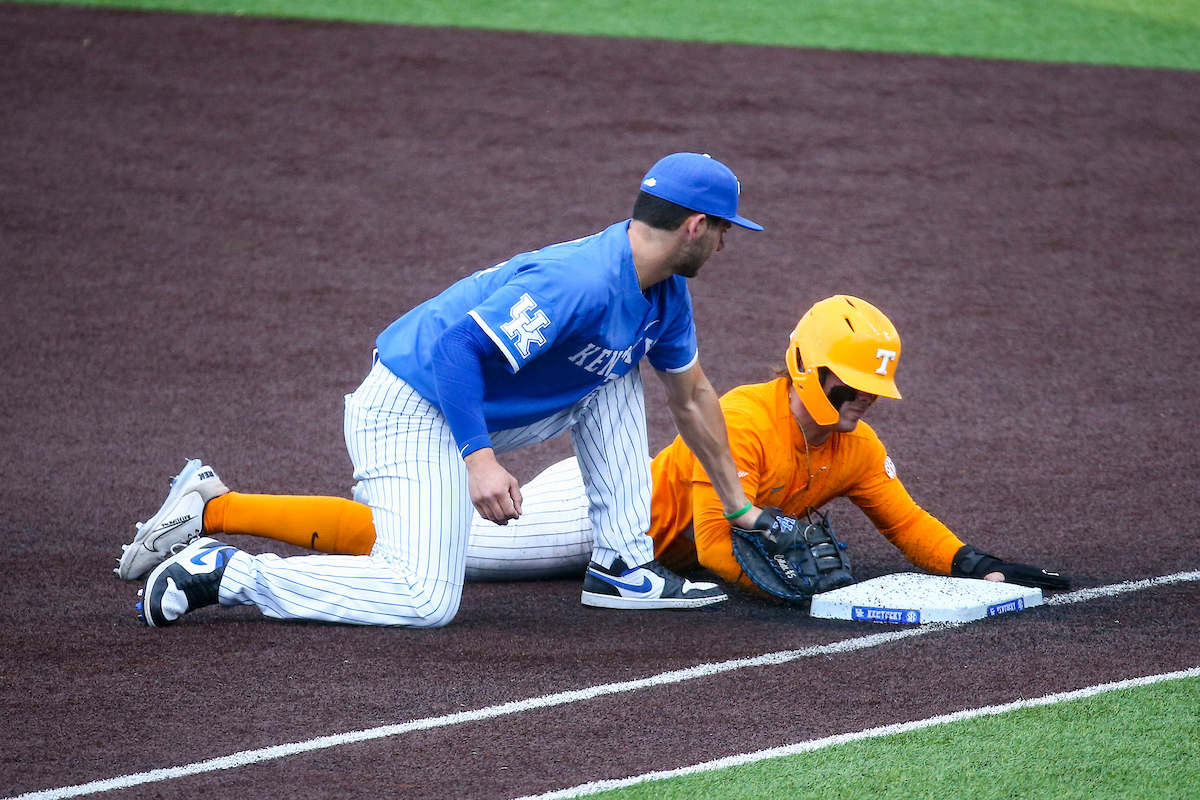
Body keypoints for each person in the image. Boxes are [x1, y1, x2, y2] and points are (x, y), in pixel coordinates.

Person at [124, 152, 770, 628]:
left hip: (485, 402)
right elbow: (455, 349)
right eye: (723, 229)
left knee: (617, 367)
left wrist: (740, 508)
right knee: (424, 599)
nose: (725, 243)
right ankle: (226, 572)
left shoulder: (665, 292)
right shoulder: (579, 282)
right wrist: (479, 461)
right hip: (411, 405)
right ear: (694, 225)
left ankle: (623, 567)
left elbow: (691, 396)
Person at [119, 296, 1067, 609]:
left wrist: (982, 567)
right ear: (806, 369)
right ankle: (212, 510)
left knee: (417, 538)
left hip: (630, 535)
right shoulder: (740, 420)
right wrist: (794, 588)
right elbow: (705, 539)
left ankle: (215, 509)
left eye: (871, 394)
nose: (859, 405)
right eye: (849, 387)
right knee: (422, 549)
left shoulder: (856, 451)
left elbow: (908, 524)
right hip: (597, 515)